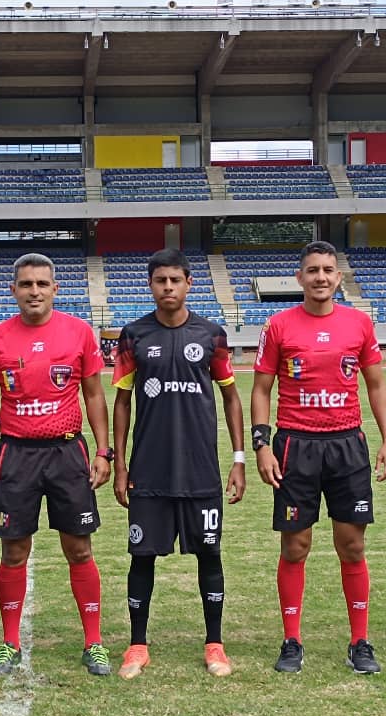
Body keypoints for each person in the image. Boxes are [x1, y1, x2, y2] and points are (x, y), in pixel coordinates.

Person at [250, 240, 386, 675]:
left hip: (347, 445)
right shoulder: (278, 326)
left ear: (338, 276)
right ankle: (292, 640)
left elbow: (376, 385)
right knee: (296, 545)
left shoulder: (359, 325)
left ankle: (360, 641)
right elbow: (261, 389)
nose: (320, 277)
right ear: (300, 277)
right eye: (312, 270)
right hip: (296, 445)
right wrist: (261, 444)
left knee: (352, 545)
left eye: (328, 270)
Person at [0, 252, 114, 677]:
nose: (34, 291)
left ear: (55, 288)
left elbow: (93, 396)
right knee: (13, 550)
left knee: (79, 547)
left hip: (68, 453)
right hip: (16, 453)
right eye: (26, 284)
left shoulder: (79, 332)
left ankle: (94, 642)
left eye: (42, 284)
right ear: (13, 290)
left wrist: (103, 451)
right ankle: (9, 642)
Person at [111, 248, 246, 680]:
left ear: (189, 283)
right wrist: (119, 465)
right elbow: (122, 401)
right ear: (150, 285)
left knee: (209, 553)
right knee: (142, 556)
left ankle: (215, 644)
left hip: (200, 470)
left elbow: (230, 396)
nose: (168, 287)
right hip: (149, 470)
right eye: (160, 281)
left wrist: (238, 459)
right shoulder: (133, 335)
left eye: (175, 280)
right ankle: (137, 645)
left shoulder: (212, 335)